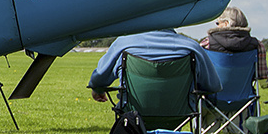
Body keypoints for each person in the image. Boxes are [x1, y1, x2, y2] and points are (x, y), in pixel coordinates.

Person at [86, 28, 223, 103]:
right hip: (179, 115)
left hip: (133, 113)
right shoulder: (191, 47)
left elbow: (99, 78)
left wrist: (98, 90)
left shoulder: (123, 44)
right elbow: (213, 86)